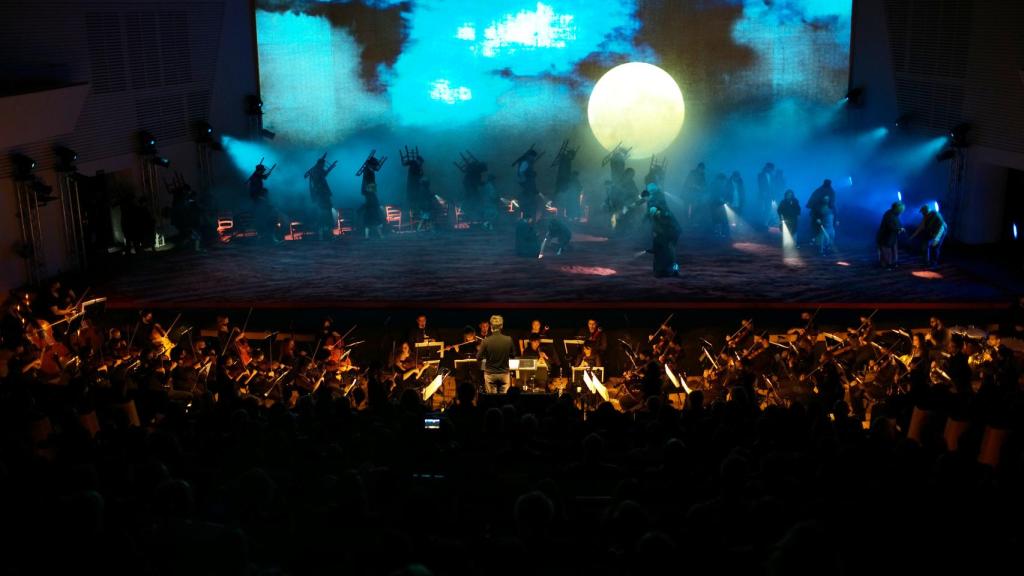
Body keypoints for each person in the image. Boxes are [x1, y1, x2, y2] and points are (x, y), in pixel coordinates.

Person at [476, 314, 514, 394]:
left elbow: (478, 357)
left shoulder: (485, 341)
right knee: (504, 398)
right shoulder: (508, 339)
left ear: (491, 327)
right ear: (502, 326)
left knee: (492, 399)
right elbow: (513, 355)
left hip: (490, 373)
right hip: (504, 373)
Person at [305, 155, 337, 240]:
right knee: (325, 216)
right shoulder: (317, 171)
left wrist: (331, 167)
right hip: (322, 196)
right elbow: (323, 174)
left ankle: (323, 236)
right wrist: (331, 167)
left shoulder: (315, 171)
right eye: (323, 165)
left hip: (321, 196)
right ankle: (326, 235)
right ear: (320, 165)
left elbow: (323, 174)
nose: (323, 167)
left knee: (323, 216)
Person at [650, 204, 681, 277]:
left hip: (673, 234)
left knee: (671, 252)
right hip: (669, 234)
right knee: (667, 252)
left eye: (655, 213)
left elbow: (671, 228)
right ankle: (666, 270)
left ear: (658, 211)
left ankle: (675, 270)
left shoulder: (665, 216)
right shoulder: (660, 216)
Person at [876, 201, 905, 269]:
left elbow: (896, 224)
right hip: (886, 236)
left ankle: (891, 263)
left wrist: (900, 228)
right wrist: (899, 229)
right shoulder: (889, 215)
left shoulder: (893, 214)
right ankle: (888, 264)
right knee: (886, 251)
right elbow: (891, 226)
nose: (901, 212)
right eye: (901, 210)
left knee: (891, 250)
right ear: (897, 208)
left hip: (891, 236)